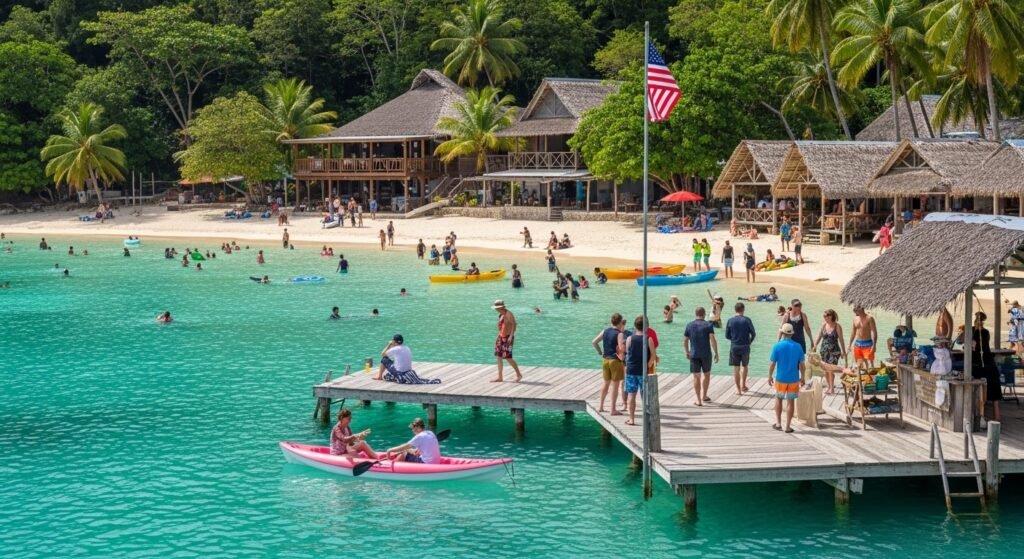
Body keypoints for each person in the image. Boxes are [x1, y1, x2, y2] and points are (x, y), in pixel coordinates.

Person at [769, 323, 805, 433]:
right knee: (791, 401)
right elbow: (802, 364)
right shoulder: (798, 346)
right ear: (791, 333)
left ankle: (778, 423)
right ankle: (788, 426)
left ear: (782, 333)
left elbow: (772, 363)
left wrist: (769, 376)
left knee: (778, 399)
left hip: (781, 378)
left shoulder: (777, 346)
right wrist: (803, 377)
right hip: (793, 378)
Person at [623, 315, 657, 425]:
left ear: (635, 326)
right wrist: (648, 365)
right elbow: (653, 355)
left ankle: (631, 419)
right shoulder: (648, 339)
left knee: (631, 395)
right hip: (643, 371)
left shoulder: (629, 339)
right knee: (645, 396)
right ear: (646, 326)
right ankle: (646, 418)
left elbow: (628, 353)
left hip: (631, 370)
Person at [684, 307, 719, 405]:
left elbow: (685, 340)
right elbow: (712, 340)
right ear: (704, 314)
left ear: (695, 314)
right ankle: (704, 395)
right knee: (706, 375)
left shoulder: (689, 325)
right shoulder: (708, 325)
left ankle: (698, 400)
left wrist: (687, 352)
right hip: (706, 354)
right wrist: (716, 352)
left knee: (696, 376)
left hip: (694, 354)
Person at [592, 313, 626, 414]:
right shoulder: (619, 334)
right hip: (615, 361)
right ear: (620, 322)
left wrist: (600, 352)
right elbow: (621, 349)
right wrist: (622, 358)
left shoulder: (605, 331)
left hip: (605, 360)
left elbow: (594, 342)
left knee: (605, 383)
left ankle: (601, 406)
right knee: (615, 386)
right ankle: (613, 409)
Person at [971, 312, 1002, 422]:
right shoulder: (985, 332)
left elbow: (973, 346)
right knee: (994, 394)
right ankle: (996, 418)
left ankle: (982, 418)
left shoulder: (975, 332)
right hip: (989, 363)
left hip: (981, 365)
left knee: (982, 391)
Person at [726, 302, 756, 394]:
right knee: (745, 366)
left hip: (734, 346)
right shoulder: (747, 320)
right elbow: (753, 334)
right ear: (743, 309)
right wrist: (749, 342)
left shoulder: (730, 320)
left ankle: (738, 390)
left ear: (735, 310)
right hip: (745, 346)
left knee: (736, 368)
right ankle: (743, 385)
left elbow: (727, 335)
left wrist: (734, 339)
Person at [815, 309, 847, 394]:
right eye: (824, 316)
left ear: (831, 316)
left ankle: (832, 388)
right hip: (824, 350)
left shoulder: (837, 326)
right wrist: (815, 346)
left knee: (831, 369)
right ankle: (829, 386)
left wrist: (843, 351)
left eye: (826, 316)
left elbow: (841, 339)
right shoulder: (823, 325)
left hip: (834, 351)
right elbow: (819, 336)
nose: (824, 317)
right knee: (825, 369)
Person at [491, 300, 522, 382]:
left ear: (502, 307)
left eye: (497, 307)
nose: (496, 309)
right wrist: (498, 337)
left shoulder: (508, 314)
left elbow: (514, 324)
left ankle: (519, 375)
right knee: (499, 357)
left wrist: (511, 336)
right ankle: (500, 377)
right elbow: (501, 327)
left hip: (508, 338)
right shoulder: (501, 314)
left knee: (508, 357)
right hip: (501, 337)